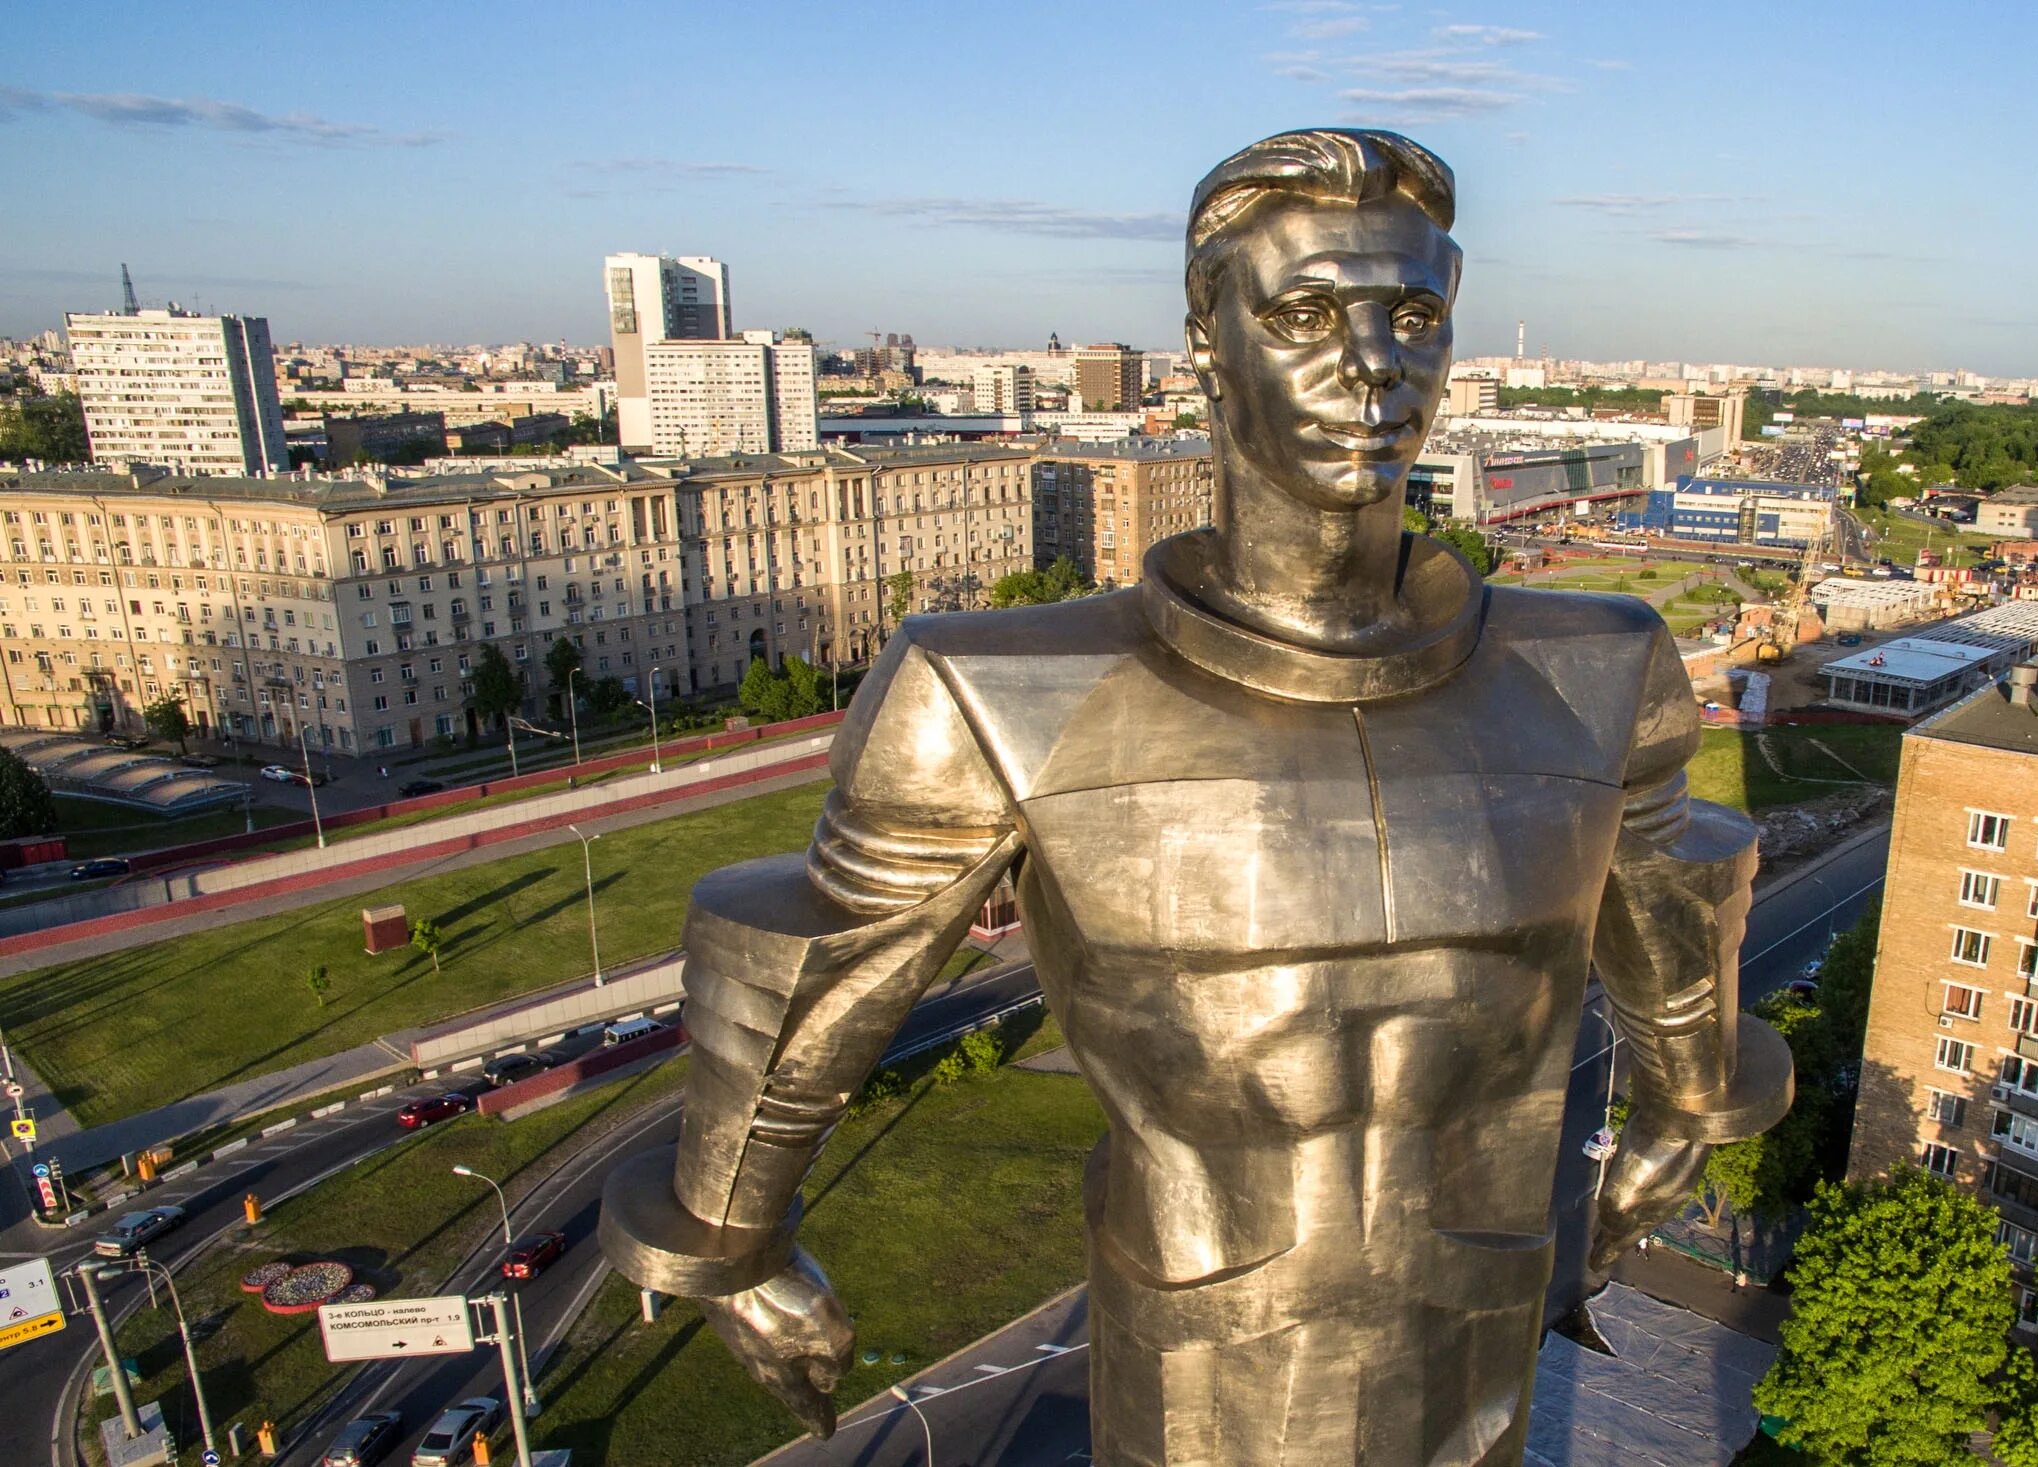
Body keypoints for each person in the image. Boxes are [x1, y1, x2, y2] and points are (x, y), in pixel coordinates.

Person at [601, 128, 1790, 1465]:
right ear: (1207, 345)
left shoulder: (1593, 672)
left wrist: (1688, 1101)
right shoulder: (1000, 695)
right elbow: (810, 960)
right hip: (1202, 1367)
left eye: (1414, 317)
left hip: (1477, 1324)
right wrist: (734, 1236)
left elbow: (1670, 893)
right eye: (1305, 315)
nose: (1375, 367)